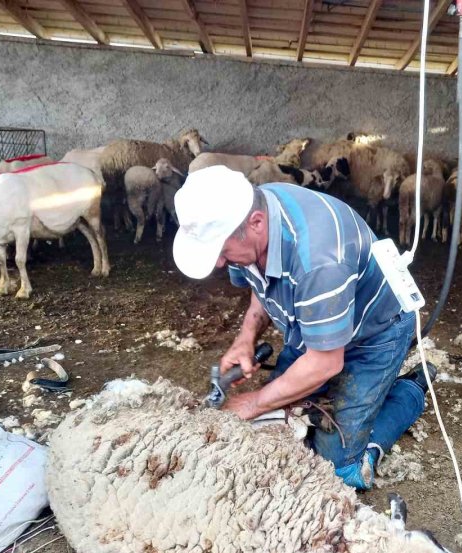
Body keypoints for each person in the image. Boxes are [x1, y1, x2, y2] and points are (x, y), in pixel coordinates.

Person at [171, 166, 435, 490]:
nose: (219, 264)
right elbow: (260, 284)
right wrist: (245, 339)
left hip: (374, 333)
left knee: (332, 470)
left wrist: (254, 402)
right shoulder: (251, 210)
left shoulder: (321, 259)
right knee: (281, 424)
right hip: (312, 323)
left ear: (255, 224)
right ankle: (362, 394)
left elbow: (326, 362)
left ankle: (409, 390)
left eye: (222, 251)